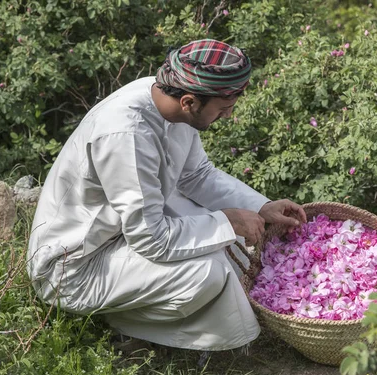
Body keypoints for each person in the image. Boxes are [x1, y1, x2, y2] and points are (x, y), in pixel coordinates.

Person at [26, 39, 307, 352]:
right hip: (75, 266)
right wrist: (228, 222)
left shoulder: (168, 97)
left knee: (235, 241)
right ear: (189, 102)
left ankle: (141, 306)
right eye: (223, 109)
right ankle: (121, 325)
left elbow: (197, 176)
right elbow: (151, 239)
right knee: (207, 272)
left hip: (119, 235)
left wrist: (260, 207)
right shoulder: (126, 134)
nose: (227, 116)